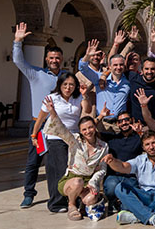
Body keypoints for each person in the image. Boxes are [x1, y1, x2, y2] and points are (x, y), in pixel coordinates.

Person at [12, 22, 67, 209]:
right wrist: (18, 42)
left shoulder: (66, 78)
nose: (54, 60)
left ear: (61, 59)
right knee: (33, 161)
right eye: (51, 58)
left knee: (59, 163)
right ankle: (28, 194)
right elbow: (18, 61)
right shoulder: (35, 74)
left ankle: (60, 195)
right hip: (40, 126)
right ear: (46, 59)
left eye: (57, 58)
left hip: (59, 127)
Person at [31, 72, 92, 213]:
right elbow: (40, 118)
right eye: (65, 84)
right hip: (56, 138)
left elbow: (87, 109)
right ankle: (56, 203)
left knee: (74, 169)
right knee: (58, 170)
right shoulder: (52, 98)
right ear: (59, 85)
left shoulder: (78, 98)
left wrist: (85, 96)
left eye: (71, 85)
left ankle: (73, 198)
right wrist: (34, 135)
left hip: (73, 138)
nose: (68, 88)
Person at [41, 97, 108, 221]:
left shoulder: (103, 146)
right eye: (84, 129)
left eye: (90, 127)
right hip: (72, 180)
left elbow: (102, 168)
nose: (88, 131)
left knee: (91, 199)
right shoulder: (75, 140)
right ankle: (71, 204)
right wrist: (52, 112)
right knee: (78, 182)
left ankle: (83, 203)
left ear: (95, 127)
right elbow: (61, 129)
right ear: (80, 131)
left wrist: (93, 182)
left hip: (88, 180)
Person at [103, 130, 155, 226]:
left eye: (154, 143)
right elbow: (123, 166)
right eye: (147, 144)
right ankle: (151, 217)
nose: (151, 147)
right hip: (145, 195)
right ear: (143, 147)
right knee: (120, 188)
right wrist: (112, 161)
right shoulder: (140, 159)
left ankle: (139, 215)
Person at [97, 111, 142, 210]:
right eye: (120, 121)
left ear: (132, 120)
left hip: (131, 176)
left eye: (126, 120)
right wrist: (101, 116)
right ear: (117, 124)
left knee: (128, 203)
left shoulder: (138, 138)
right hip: (114, 176)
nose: (123, 123)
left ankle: (123, 204)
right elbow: (93, 130)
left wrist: (140, 133)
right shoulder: (112, 137)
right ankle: (113, 202)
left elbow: (150, 145)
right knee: (111, 187)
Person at [94, 54, 131, 122]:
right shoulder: (99, 78)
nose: (118, 67)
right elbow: (83, 69)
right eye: (115, 65)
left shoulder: (128, 81)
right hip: (102, 122)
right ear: (110, 66)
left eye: (121, 64)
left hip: (120, 123)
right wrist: (87, 55)